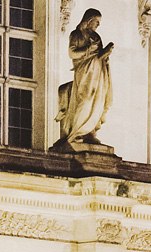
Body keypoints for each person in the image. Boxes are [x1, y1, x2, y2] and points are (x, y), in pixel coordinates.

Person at [54, 9, 112, 150]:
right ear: (88, 20)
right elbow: (72, 53)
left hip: (98, 73)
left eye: (99, 22)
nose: (97, 25)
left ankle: (90, 132)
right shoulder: (76, 35)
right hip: (84, 72)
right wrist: (88, 50)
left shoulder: (97, 37)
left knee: (97, 101)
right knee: (85, 100)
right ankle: (77, 133)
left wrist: (106, 53)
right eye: (96, 21)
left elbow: (99, 54)